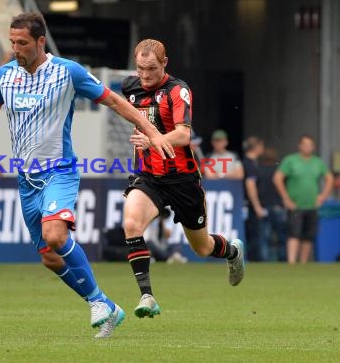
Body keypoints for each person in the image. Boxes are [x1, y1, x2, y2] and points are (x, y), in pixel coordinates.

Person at [0, 12, 175, 338]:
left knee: (55, 235)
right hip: (26, 179)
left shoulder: (67, 72)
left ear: (40, 41)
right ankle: (106, 305)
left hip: (59, 170)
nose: (15, 49)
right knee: (50, 258)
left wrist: (151, 131)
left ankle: (97, 304)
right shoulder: (4, 75)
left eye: (22, 43)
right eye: (12, 42)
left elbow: (114, 102)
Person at [121, 39, 245, 319]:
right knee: (131, 223)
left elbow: (183, 134)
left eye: (151, 68)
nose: (145, 75)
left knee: (202, 248)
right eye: (140, 68)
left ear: (165, 63)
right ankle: (147, 295)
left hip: (182, 180)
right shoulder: (129, 87)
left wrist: (153, 141)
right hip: (148, 176)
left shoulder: (178, 90)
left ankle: (233, 253)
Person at [273, 135, 333, 264]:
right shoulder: (291, 160)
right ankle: (292, 262)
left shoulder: (318, 162)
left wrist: (323, 196)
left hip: (312, 204)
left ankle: (303, 262)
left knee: (308, 235)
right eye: (304, 144)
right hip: (296, 204)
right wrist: (286, 198)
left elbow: (329, 178)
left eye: (310, 144)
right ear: (299, 146)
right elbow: (278, 178)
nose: (307, 147)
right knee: (294, 233)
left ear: (313, 147)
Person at [256, 147, 288, 261]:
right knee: (282, 237)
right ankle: (283, 259)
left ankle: (265, 260)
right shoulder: (279, 171)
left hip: (264, 206)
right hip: (278, 206)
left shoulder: (258, 170)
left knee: (265, 237)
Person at [242, 136, 265, 261]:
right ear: (257, 147)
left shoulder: (249, 162)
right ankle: (252, 259)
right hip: (250, 205)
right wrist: (257, 206)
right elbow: (250, 186)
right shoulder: (249, 164)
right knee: (253, 234)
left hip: (249, 205)